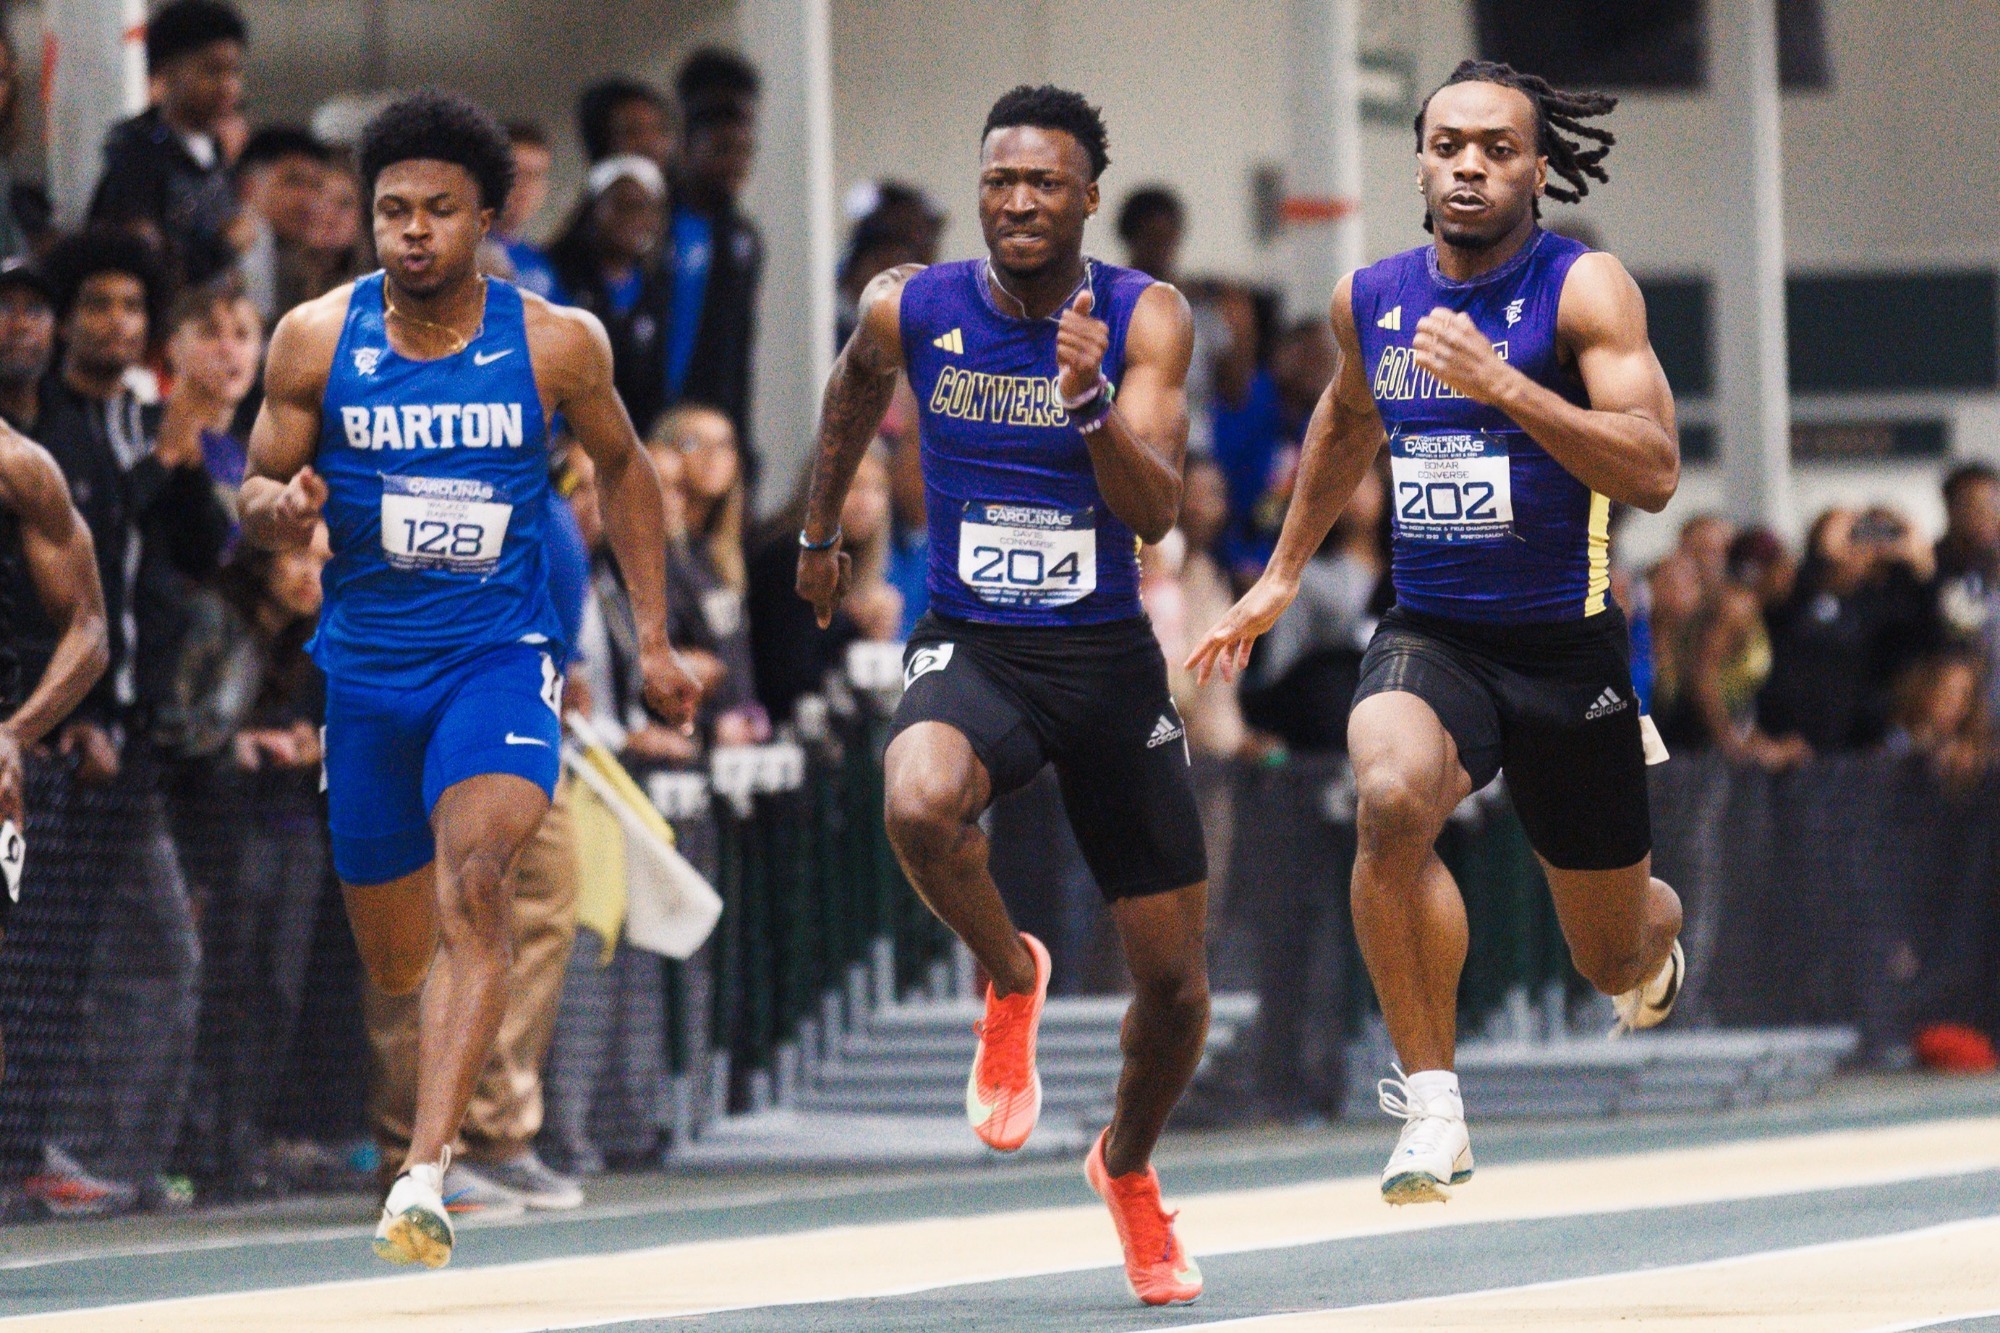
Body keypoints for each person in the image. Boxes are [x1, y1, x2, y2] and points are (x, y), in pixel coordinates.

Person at [1190, 60, 1688, 1207]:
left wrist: (1507, 390)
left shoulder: (1584, 291)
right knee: (1389, 793)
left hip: (1565, 653)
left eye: (1498, 149)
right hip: (1433, 634)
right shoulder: (1368, 296)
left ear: (1536, 168)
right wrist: (1277, 576)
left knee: (1605, 949)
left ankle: (1653, 952)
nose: (1469, 165)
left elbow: (1653, 468)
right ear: (1417, 159)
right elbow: (1345, 414)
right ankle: (1431, 1103)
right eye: (1448, 144)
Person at [237, 91, 700, 1268]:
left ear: (486, 217)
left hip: (499, 657)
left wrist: (649, 638)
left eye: (438, 210)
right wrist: (281, 511)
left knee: (480, 877)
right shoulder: (310, 338)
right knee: (396, 954)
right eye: (391, 209)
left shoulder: (555, 340)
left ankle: (425, 1171)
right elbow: (251, 489)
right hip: (367, 675)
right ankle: (430, 1131)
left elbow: (628, 472)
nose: (411, 231)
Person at [795, 85, 1208, 1306]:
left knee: (1174, 990)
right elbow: (852, 388)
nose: (1017, 202)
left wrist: (1084, 404)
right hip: (975, 641)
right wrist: (820, 529)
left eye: (1043, 184)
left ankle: (1127, 1171)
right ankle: (1010, 974)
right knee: (917, 802)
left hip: (1103, 663)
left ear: (1088, 195)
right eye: (998, 182)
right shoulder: (911, 304)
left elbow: (1154, 511)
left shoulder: (1145, 316)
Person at [88, 0, 247, 285]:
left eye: (234, 71)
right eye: (212, 70)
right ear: (165, 72)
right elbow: (147, 265)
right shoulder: (136, 156)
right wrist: (224, 248)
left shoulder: (216, 155)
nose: (227, 85)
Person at [667, 49, 763, 481]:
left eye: (745, 150)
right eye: (724, 149)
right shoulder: (651, 222)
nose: (736, 164)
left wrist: (739, 446)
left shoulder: (742, 238)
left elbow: (739, 354)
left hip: (714, 434)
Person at [546, 155, 672, 438]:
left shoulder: (657, 289)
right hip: (568, 448)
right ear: (593, 209)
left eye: (646, 208)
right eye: (623, 206)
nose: (635, 218)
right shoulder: (558, 274)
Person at [233, 125, 332, 323]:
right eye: (293, 182)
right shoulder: (229, 249)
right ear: (248, 186)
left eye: (315, 186)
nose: (308, 200)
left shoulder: (302, 254)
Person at [486, 123, 562, 301]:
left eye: (535, 175)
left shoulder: (542, 262)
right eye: (515, 173)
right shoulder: (459, 251)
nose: (525, 186)